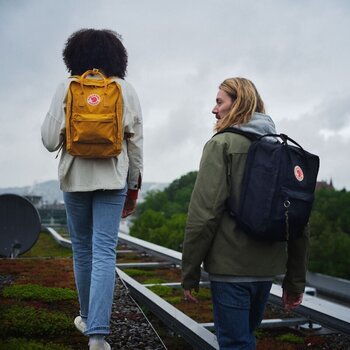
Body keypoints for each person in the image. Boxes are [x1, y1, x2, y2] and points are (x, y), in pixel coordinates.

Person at [181, 77, 308, 350]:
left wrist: (189, 271)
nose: (214, 110)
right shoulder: (281, 149)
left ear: (237, 105)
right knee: (245, 340)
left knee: (235, 344)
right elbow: (297, 218)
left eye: (219, 102)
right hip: (266, 270)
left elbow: (204, 214)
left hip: (230, 268)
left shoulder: (221, 145)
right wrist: (295, 280)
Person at [41, 29, 143, 350]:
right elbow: (136, 144)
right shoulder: (125, 90)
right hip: (113, 180)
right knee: (103, 253)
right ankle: (97, 335)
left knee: (82, 250)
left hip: (74, 179)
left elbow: (48, 141)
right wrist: (134, 184)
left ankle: (86, 317)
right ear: (118, 58)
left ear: (73, 56)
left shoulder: (67, 87)